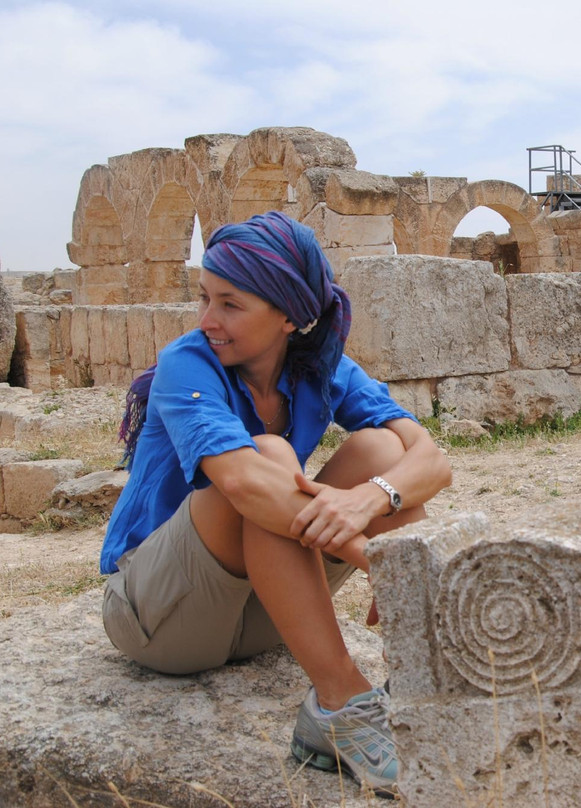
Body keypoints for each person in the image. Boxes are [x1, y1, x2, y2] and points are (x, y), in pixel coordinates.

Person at [99, 211, 451, 798]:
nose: (207, 320)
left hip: (259, 617)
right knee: (267, 456)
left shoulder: (324, 367)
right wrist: (378, 560)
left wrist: (370, 498)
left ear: (290, 314)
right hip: (157, 618)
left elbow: (429, 461)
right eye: (205, 298)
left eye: (230, 304)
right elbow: (242, 486)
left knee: (379, 448)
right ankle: (339, 703)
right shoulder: (187, 363)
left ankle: (419, 679)